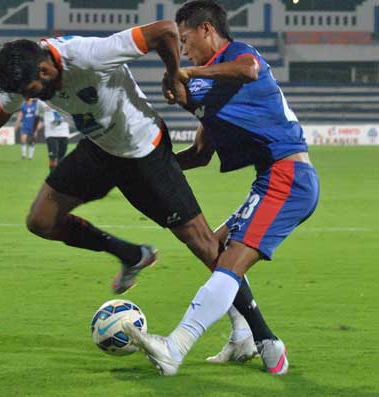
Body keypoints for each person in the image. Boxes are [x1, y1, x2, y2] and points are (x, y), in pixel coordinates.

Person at [0, 20, 272, 354]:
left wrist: (174, 74)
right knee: (41, 220)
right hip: (99, 149)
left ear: (46, 65)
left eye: (32, 89)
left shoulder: (90, 55)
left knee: (205, 245)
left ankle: (260, 335)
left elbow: (165, 31)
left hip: (145, 151)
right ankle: (131, 254)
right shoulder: (22, 73)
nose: (29, 98)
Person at [123, 0, 319, 376]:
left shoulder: (239, 57)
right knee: (214, 249)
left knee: (228, 264)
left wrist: (189, 71)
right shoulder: (211, 90)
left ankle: (175, 347)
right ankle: (254, 337)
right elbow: (199, 154)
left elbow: (249, 69)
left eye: (185, 40)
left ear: (207, 30)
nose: (182, 49)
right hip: (271, 179)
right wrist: (146, 165)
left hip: (289, 178)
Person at [35, 100, 70, 172]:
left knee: (62, 157)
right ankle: (52, 177)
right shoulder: (41, 101)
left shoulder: (66, 98)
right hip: (51, 134)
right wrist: (34, 131)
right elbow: (37, 115)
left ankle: (61, 176)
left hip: (64, 133)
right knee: (53, 156)